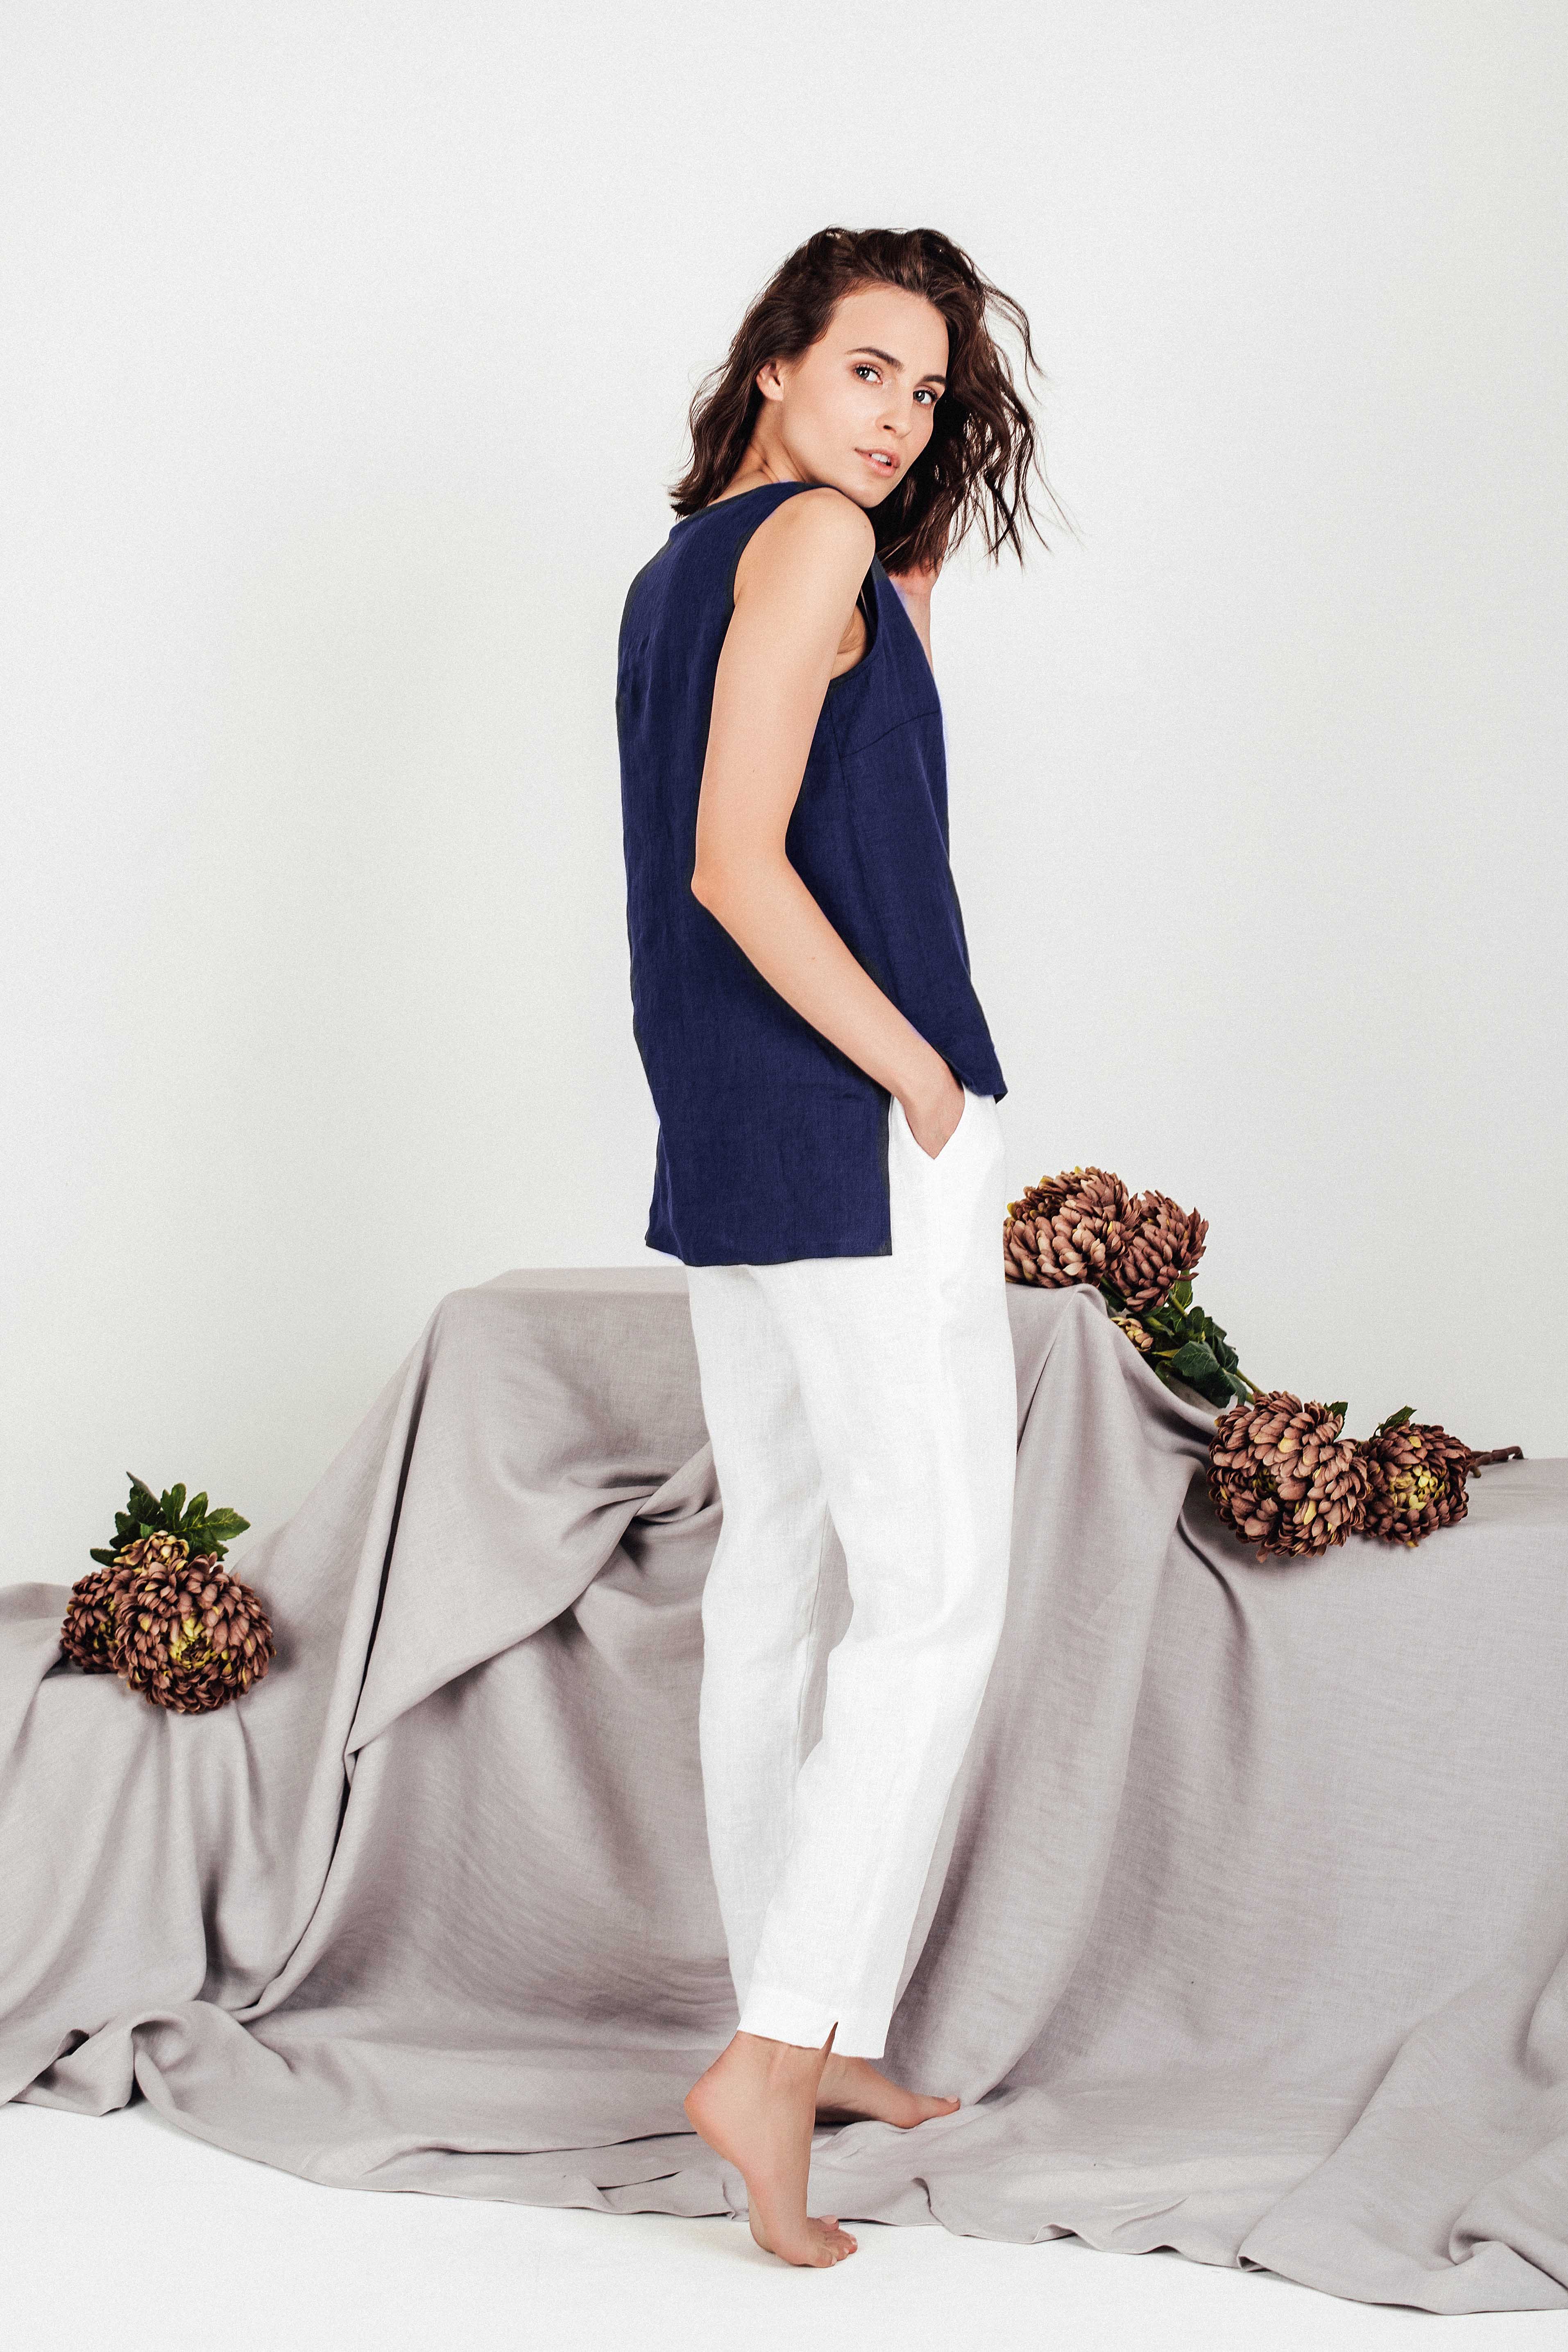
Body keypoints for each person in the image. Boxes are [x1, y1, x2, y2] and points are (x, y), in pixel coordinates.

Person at [616, 224, 1057, 2268]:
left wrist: (915, 603)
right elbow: (736, 865)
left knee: (786, 1588)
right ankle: (778, 2052)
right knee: (936, 1595)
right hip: (857, 1136)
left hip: (732, 1139)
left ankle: (810, 2019)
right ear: (778, 361)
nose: (901, 416)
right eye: (870, 367)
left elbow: (846, 818)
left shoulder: (690, 564)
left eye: (929, 390)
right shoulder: (802, 545)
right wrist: (926, 1081)